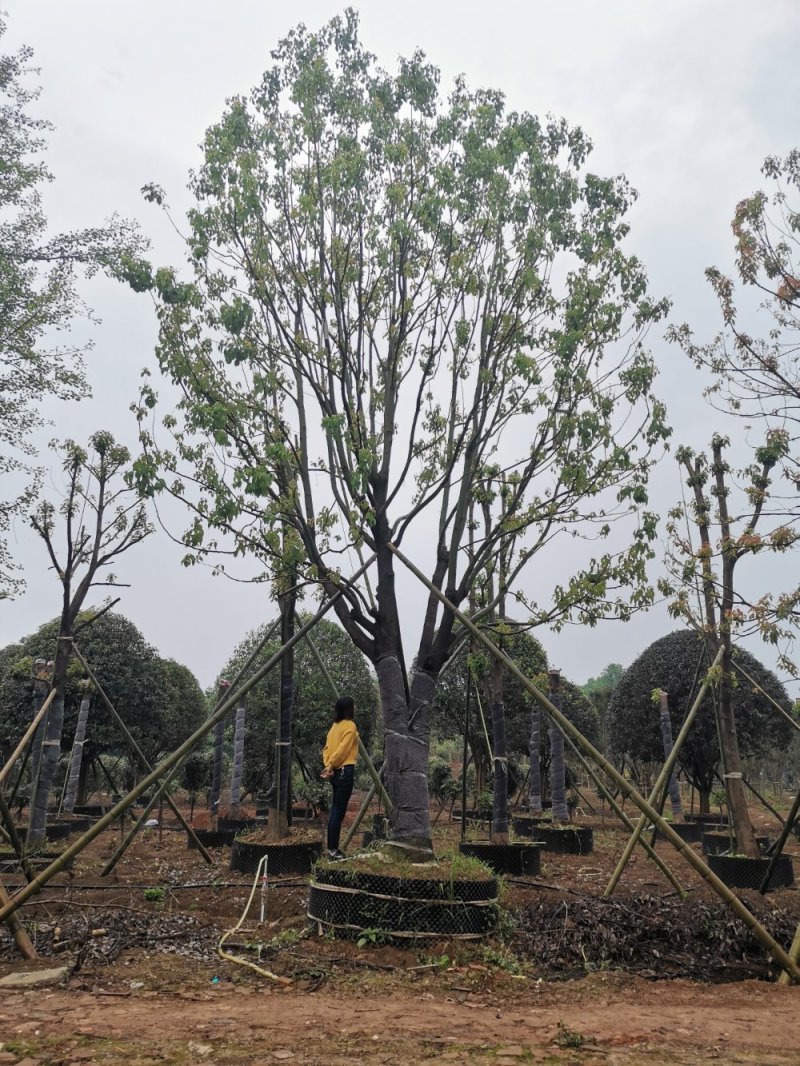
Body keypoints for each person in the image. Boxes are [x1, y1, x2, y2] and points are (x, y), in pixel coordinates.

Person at [321, 695, 359, 860]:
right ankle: (333, 851)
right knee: (338, 812)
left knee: (335, 811)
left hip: (335, 773)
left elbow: (326, 749)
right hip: (345, 771)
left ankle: (332, 849)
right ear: (349, 709)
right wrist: (332, 765)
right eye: (353, 706)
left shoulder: (334, 727)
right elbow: (343, 750)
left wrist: (329, 765)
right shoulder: (350, 726)